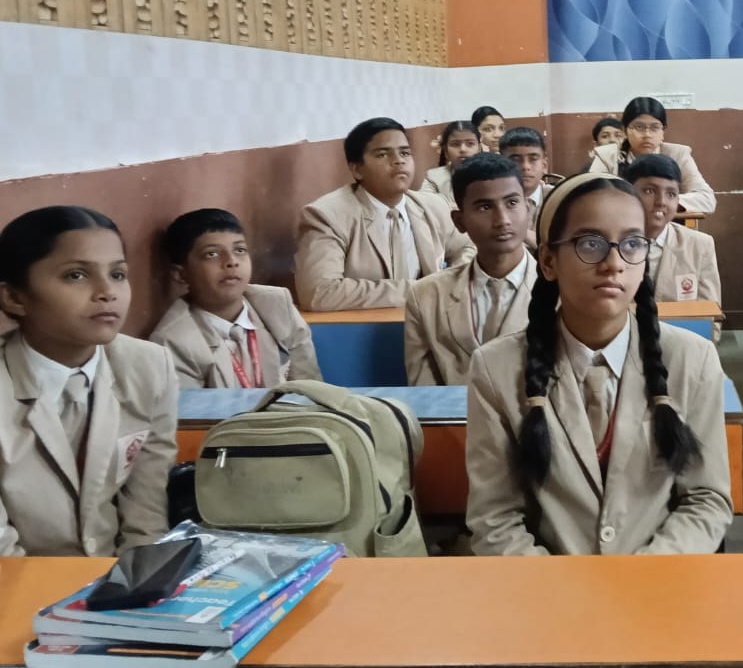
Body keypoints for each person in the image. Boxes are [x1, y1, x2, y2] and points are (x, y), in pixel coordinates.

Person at [465, 173, 732, 582]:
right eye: (590, 243)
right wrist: (571, 592)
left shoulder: (692, 359)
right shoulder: (496, 367)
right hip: (546, 593)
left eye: (632, 244)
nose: (614, 263)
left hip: (658, 586)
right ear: (548, 262)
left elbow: (706, 499)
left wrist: (641, 577)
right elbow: (494, 518)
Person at [0, 206, 176, 557]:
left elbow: (146, 516)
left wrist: (138, 582)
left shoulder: (148, 365)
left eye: (118, 274)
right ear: (15, 297)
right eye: (76, 275)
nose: (107, 292)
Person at [295, 117, 473, 311]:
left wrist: (453, 280)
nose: (399, 160)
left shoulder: (433, 205)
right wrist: (423, 290)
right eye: (382, 154)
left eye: (404, 153)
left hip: (432, 319)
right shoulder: (328, 215)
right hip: (367, 326)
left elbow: (468, 248)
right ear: (357, 169)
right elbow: (319, 292)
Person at [151, 208, 321, 388]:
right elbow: (193, 407)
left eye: (240, 250)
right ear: (180, 274)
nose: (232, 261)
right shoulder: (174, 342)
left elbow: (311, 388)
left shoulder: (277, 305)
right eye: (212, 254)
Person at [404, 154, 535, 386]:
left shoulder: (563, 291)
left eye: (512, 203)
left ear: (528, 208)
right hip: (456, 409)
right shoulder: (426, 296)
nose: (502, 220)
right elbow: (424, 390)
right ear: (459, 221)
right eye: (485, 207)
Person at [621, 154, 722, 308]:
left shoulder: (699, 245)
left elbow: (709, 313)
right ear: (628, 194)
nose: (661, 202)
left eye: (671, 194)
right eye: (649, 191)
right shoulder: (609, 243)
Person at [587, 97, 716, 213]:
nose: (647, 135)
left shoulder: (678, 154)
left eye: (655, 128)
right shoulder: (608, 156)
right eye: (639, 127)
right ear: (625, 131)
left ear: (662, 132)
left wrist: (662, 201)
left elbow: (707, 199)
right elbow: (590, 197)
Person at [423, 120, 481, 208]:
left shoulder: (493, 174)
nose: (463, 149)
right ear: (445, 151)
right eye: (455, 144)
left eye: (470, 144)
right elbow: (425, 205)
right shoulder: (433, 177)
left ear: (479, 149)